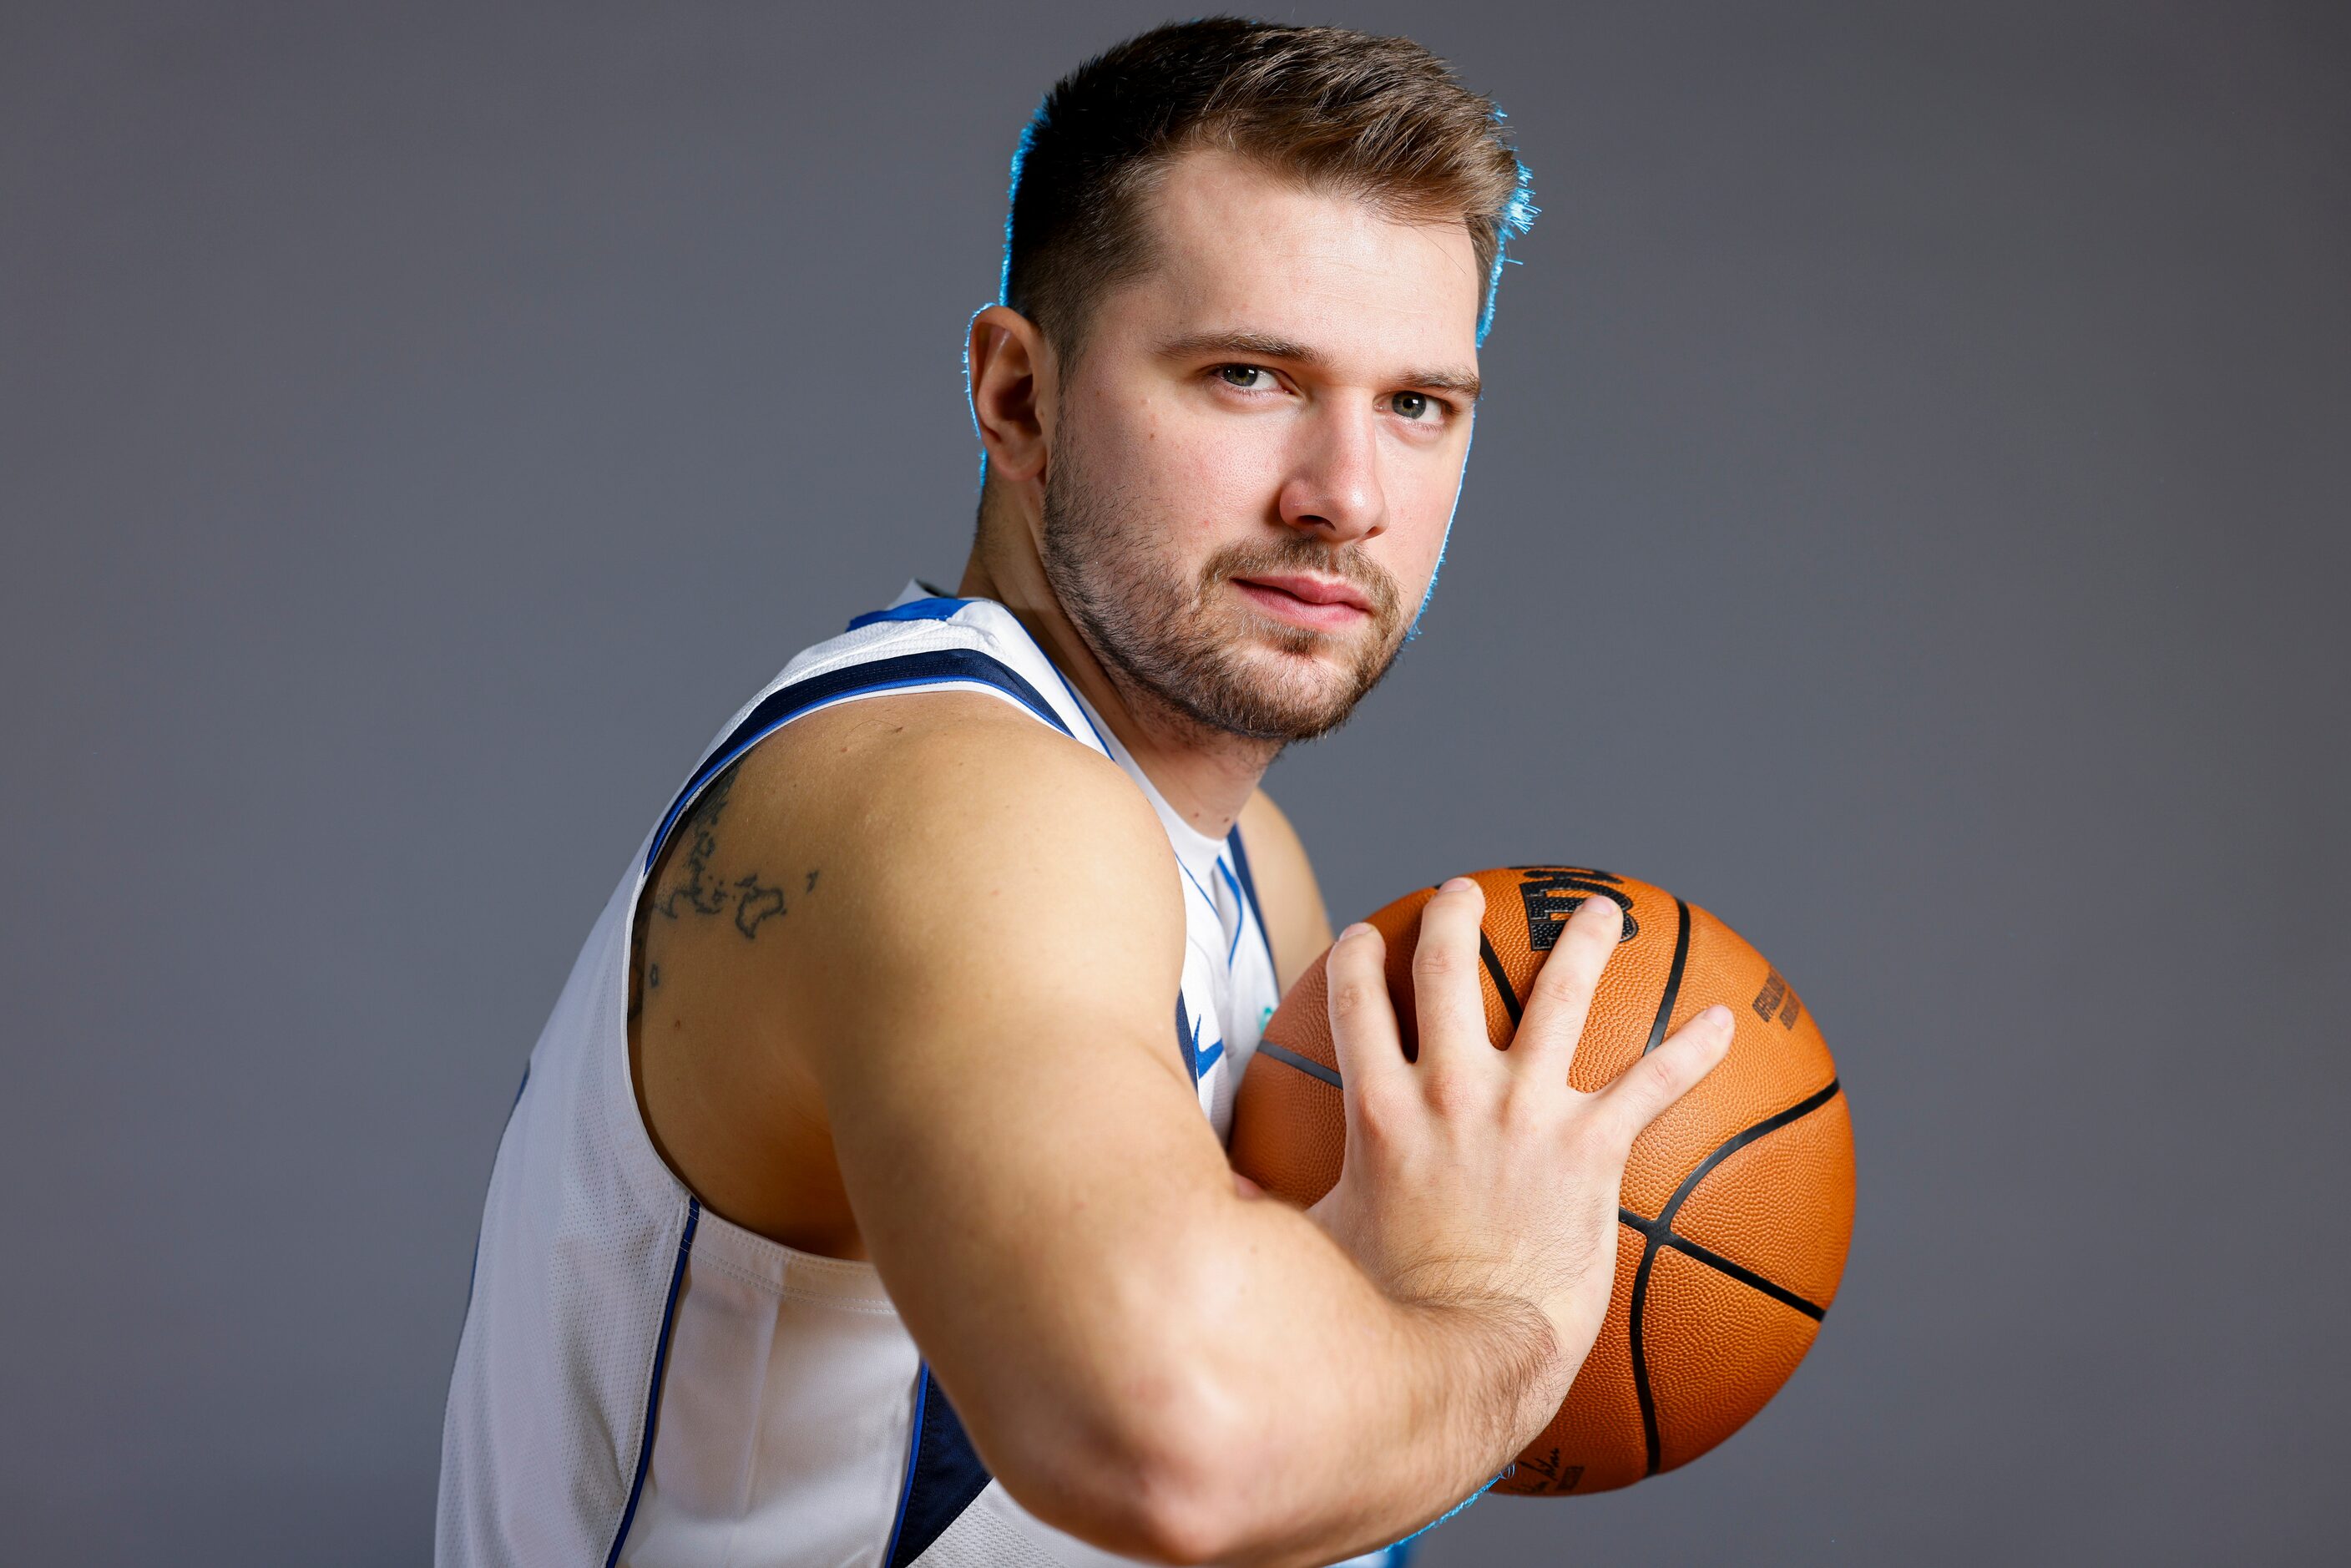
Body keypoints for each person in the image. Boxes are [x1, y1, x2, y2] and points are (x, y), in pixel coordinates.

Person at [437, 18, 1733, 1567]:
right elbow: (1171, 1438)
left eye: (1418, 406)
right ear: (1019, 399)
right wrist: (1507, 1316)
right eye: (1249, 375)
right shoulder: (962, 804)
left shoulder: (1249, 856)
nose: (1348, 496)